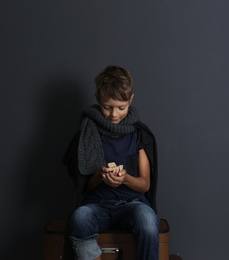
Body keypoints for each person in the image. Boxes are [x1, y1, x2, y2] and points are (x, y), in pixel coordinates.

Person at [63, 65, 159, 260]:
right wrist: (101, 176)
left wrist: (124, 179)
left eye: (121, 108)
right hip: (98, 205)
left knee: (148, 220)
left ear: (130, 99)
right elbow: (84, 185)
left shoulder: (138, 135)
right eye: (107, 107)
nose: (114, 114)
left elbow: (145, 184)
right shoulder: (88, 133)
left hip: (132, 204)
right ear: (98, 98)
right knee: (80, 217)